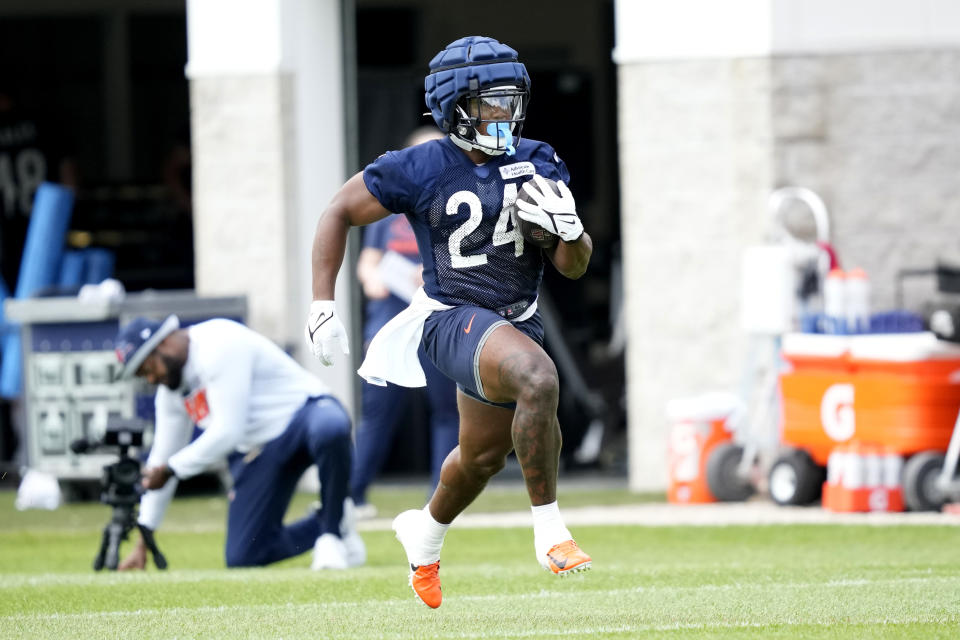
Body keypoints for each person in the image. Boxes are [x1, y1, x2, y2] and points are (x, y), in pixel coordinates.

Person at [306, 35, 593, 608]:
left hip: (517, 318)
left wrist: (570, 231)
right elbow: (338, 210)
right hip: (449, 317)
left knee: (480, 458)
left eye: (511, 101)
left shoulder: (536, 157)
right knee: (539, 378)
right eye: (490, 103)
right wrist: (322, 305)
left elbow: (574, 267)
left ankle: (425, 533)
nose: (504, 115)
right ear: (455, 106)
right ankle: (549, 530)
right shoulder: (420, 165)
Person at [114, 314, 365, 570]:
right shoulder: (170, 394)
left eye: (147, 368)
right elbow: (161, 461)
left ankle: (331, 536)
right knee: (244, 555)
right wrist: (143, 542)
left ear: (164, 344)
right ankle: (333, 521)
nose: (151, 379)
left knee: (331, 428)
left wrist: (172, 469)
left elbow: (227, 431)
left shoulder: (218, 342)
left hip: (303, 414)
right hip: (257, 451)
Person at [350, 127, 459, 517]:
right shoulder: (389, 213)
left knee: (448, 411)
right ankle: (353, 497)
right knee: (378, 414)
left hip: (436, 326)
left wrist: (431, 276)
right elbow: (368, 266)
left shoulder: (458, 207)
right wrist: (375, 279)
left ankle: (440, 500)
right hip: (391, 327)